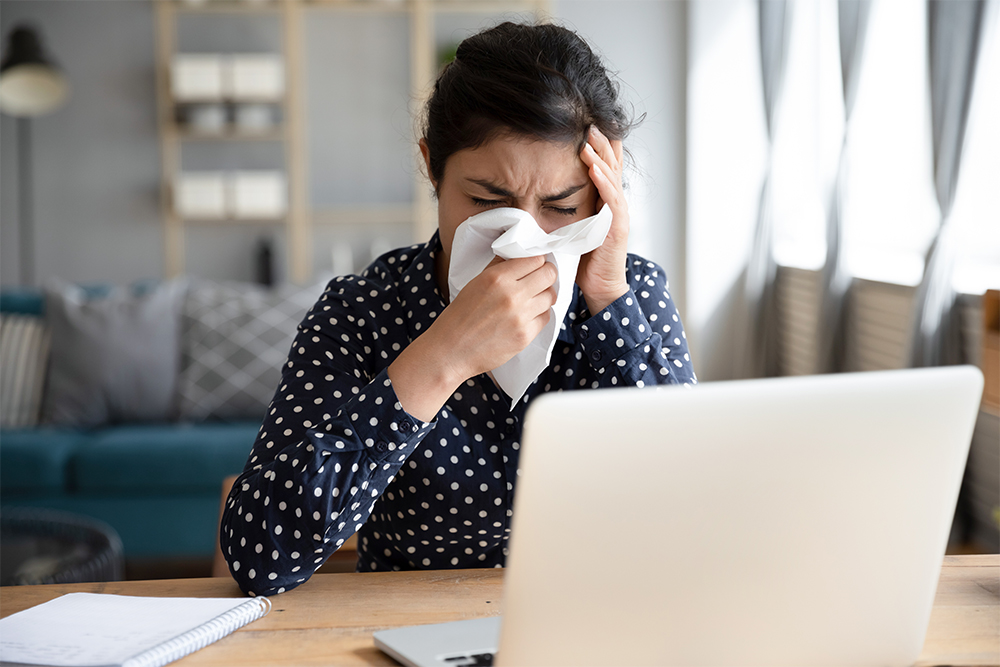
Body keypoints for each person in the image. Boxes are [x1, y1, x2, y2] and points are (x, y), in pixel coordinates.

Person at [221, 21, 696, 597]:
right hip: (402, 629)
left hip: (593, 623)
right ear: (431, 166)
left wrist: (610, 300)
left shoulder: (633, 293)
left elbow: (689, 515)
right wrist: (442, 357)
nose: (522, 235)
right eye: (487, 201)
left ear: (603, 190)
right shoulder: (364, 312)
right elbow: (259, 556)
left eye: (561, 207)